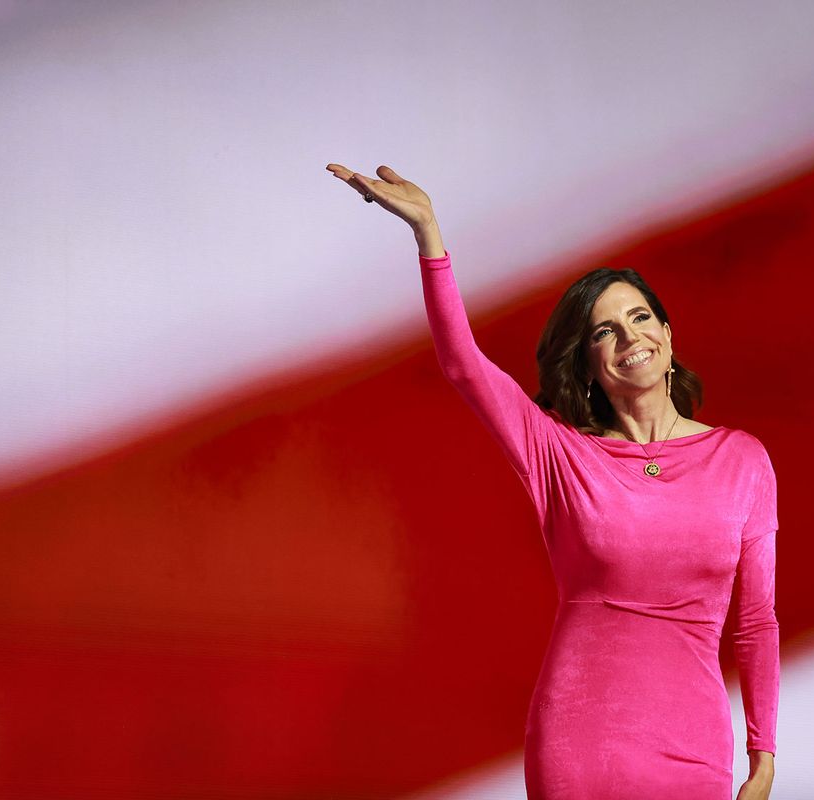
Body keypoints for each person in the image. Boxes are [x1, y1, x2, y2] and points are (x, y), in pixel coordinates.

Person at [326, 163, 779, 800]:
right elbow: (462, 365)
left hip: (694, 750)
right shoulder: (559, 454)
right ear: (590, 365)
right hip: (581, 743)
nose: (630, 337)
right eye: (605, 330)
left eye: (642, 317)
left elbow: (756, 620)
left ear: (669, 337)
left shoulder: (744, 461)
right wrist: (428, 233)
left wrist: (763, 757)